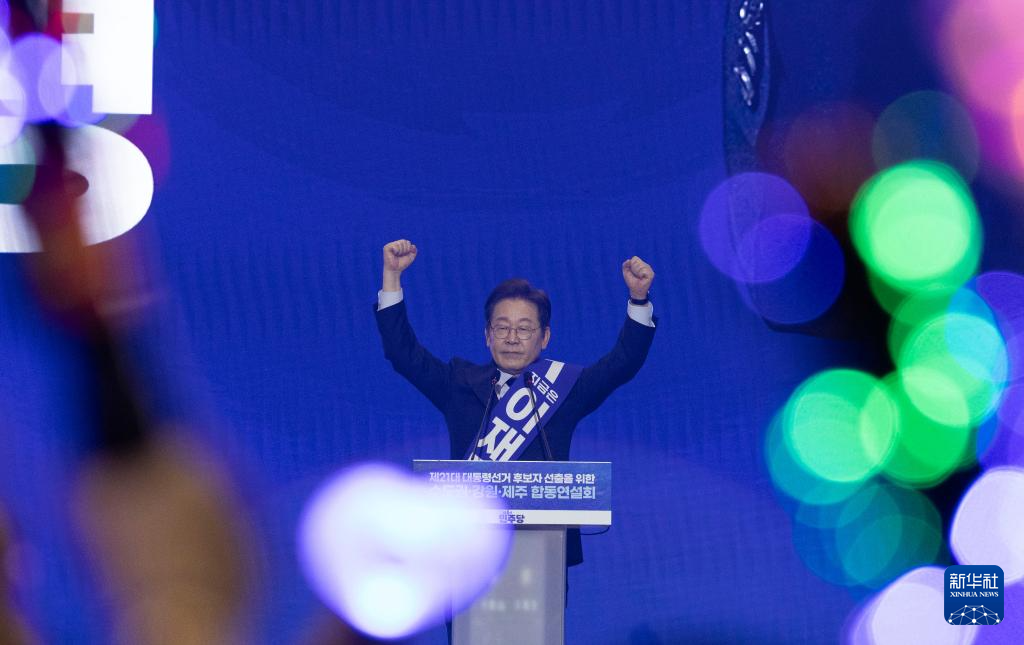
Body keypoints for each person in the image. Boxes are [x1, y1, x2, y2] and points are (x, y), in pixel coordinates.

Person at [375, 239, 657, 570]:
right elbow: (403, 354)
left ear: (544, 337)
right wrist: (391, 277)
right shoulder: (458, 383)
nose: (512, 338)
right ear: (488, 335)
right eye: (502, 328)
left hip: (542, 558)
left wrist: (639, 298)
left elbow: (622, 363)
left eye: (524, 329)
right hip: (467, 555)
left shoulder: (564, 388)